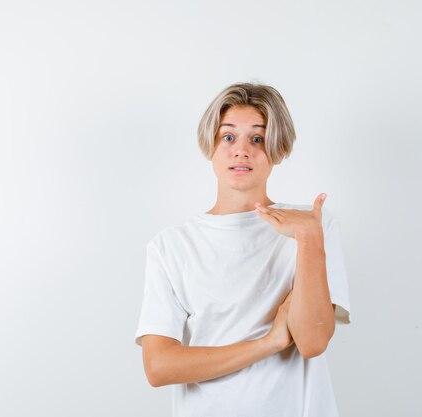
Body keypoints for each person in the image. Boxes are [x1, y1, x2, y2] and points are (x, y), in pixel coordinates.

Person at [133, 82, 352, 417]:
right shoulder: (171, 246)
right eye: (229, 137)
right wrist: (269, 343)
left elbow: (312, 341)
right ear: (212, 145)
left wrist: (309, 238)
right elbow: (159, 366)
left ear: (277, 149)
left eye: (258, 138)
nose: (241, 150)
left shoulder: (311, 226)